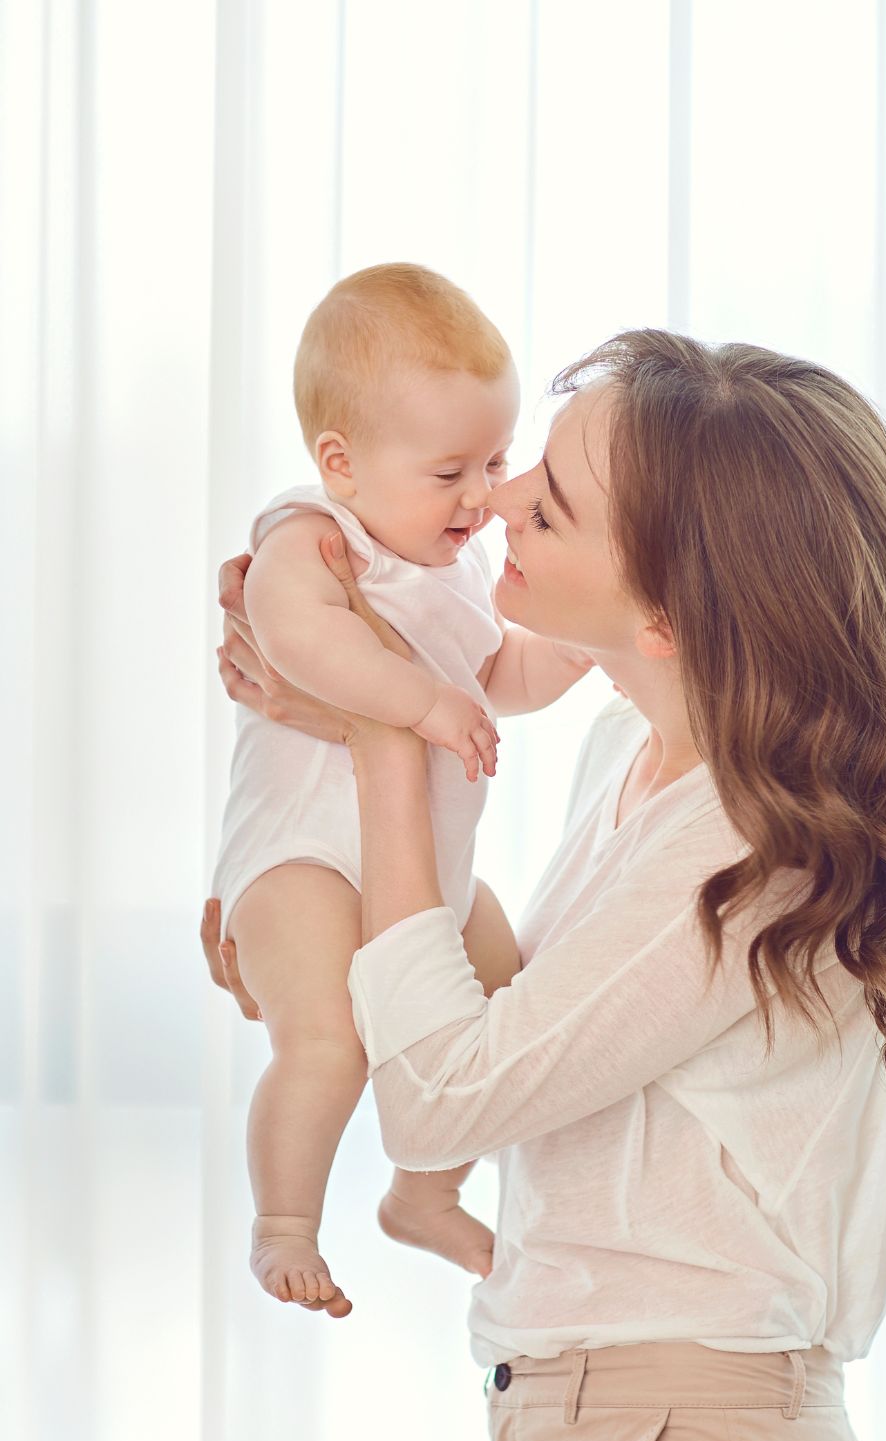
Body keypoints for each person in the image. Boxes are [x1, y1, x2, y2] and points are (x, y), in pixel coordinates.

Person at [201, 327, 886, 1441]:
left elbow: (438, 1102)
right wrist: (297, 897)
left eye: (554, 502)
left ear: (667, 619)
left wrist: (378, 734)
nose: (503, 496)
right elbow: (497, 1036)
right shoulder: (625, 765)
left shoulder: (748, 844)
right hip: (603, 1425)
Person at [208, 262, 595, 1318]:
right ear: (342, 462)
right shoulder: (312, 534)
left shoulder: (455, 565)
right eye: (451, 472)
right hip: (305, 854)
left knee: (503, 997)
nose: (482, 497)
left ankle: (424, 1194)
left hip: (425, 860)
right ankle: (284, 1221)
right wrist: (421, 705)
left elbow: (497, 676)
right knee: (328, 1038)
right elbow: (293, 638)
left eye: (498, 462)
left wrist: (571, 651)